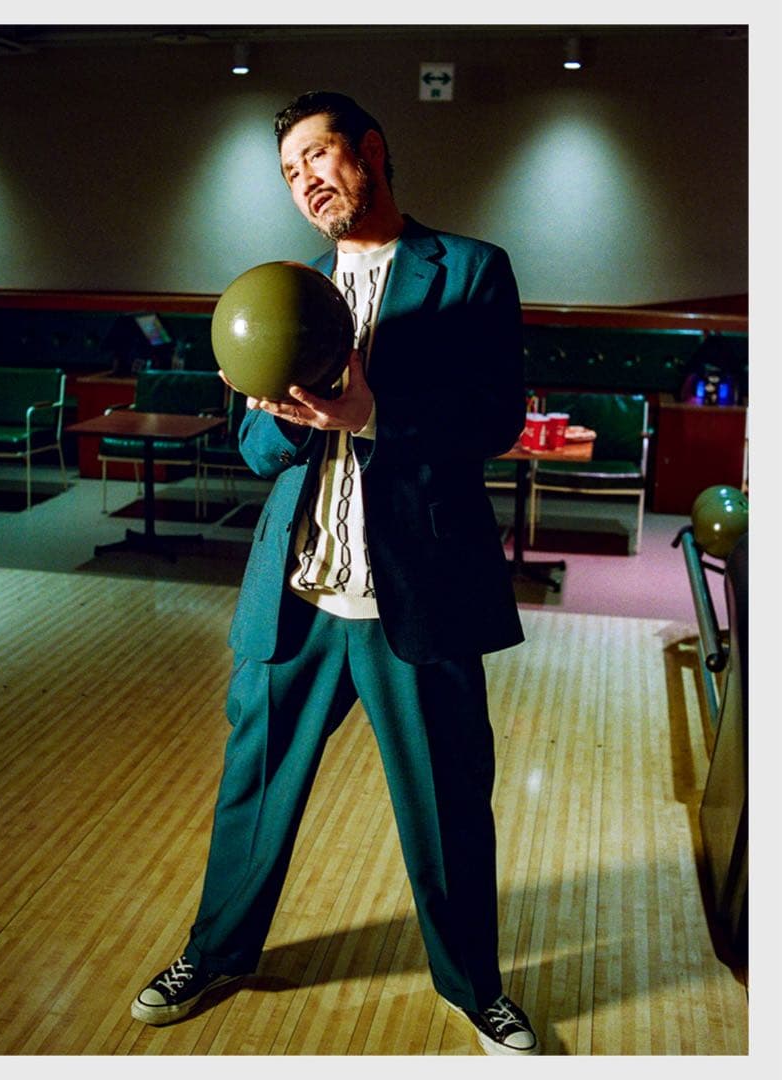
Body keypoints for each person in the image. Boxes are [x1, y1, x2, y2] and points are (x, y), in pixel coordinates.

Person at [130, 90, 539, 1056]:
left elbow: (495, 420)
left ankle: (472, 985)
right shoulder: (286, 291)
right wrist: (273, 412)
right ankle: (216, 950)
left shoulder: (468, 270)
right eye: (289, 173)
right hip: (299, 592)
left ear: (371, 151)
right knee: (252, 788)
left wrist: (370, 414)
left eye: (317, 157)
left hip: (416, 593)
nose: (305, 182)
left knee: (446, 801)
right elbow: (256, 456)